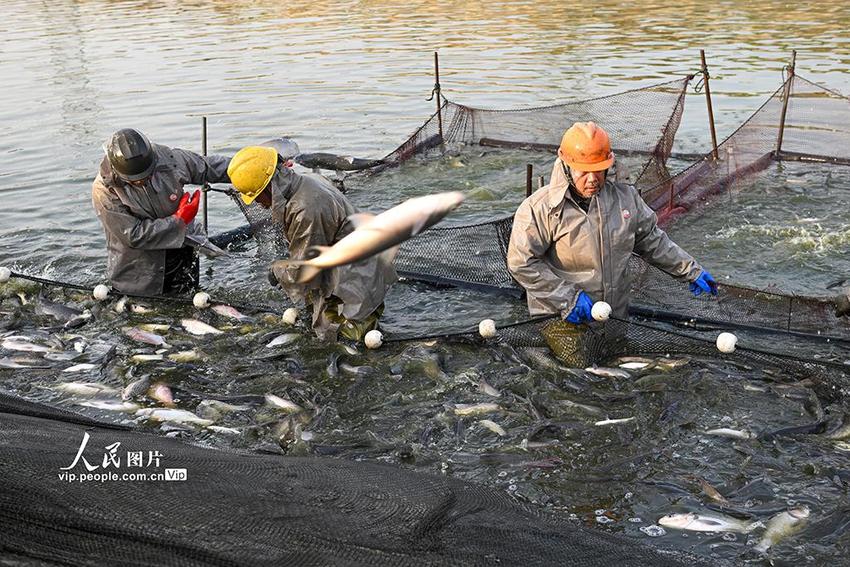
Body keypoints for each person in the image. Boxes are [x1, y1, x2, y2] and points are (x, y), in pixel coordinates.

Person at [507, 122, 717, 362]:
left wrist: (690, 270)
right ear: (566, 166)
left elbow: (651, 240)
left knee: (617, 376)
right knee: (582, 375)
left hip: (614, 317)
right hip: (562, 318)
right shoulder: (540, 209)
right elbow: (521, 263)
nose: (592, 179)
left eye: (598, 170)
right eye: (583, 171)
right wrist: (568, 298)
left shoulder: (625, 198)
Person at [227, 145, 397, 341]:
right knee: (319, 323)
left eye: (257, 196)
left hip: (358, 277)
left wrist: (278, 271)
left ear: (271, 187)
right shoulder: (304, 182)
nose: (257, 203)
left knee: (342, 341)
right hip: (353, 264)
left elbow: (305, 270)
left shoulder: (305, 210)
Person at [92, 129, 231, 295]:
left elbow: (207, 167)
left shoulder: (170, 160)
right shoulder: (104, 191)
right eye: (135, 180)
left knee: (189, 299)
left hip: (181, 250)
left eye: (147, 175)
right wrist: (179, 219)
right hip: (139, 272)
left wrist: (248, 169)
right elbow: (134, 235)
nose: (142, 181)